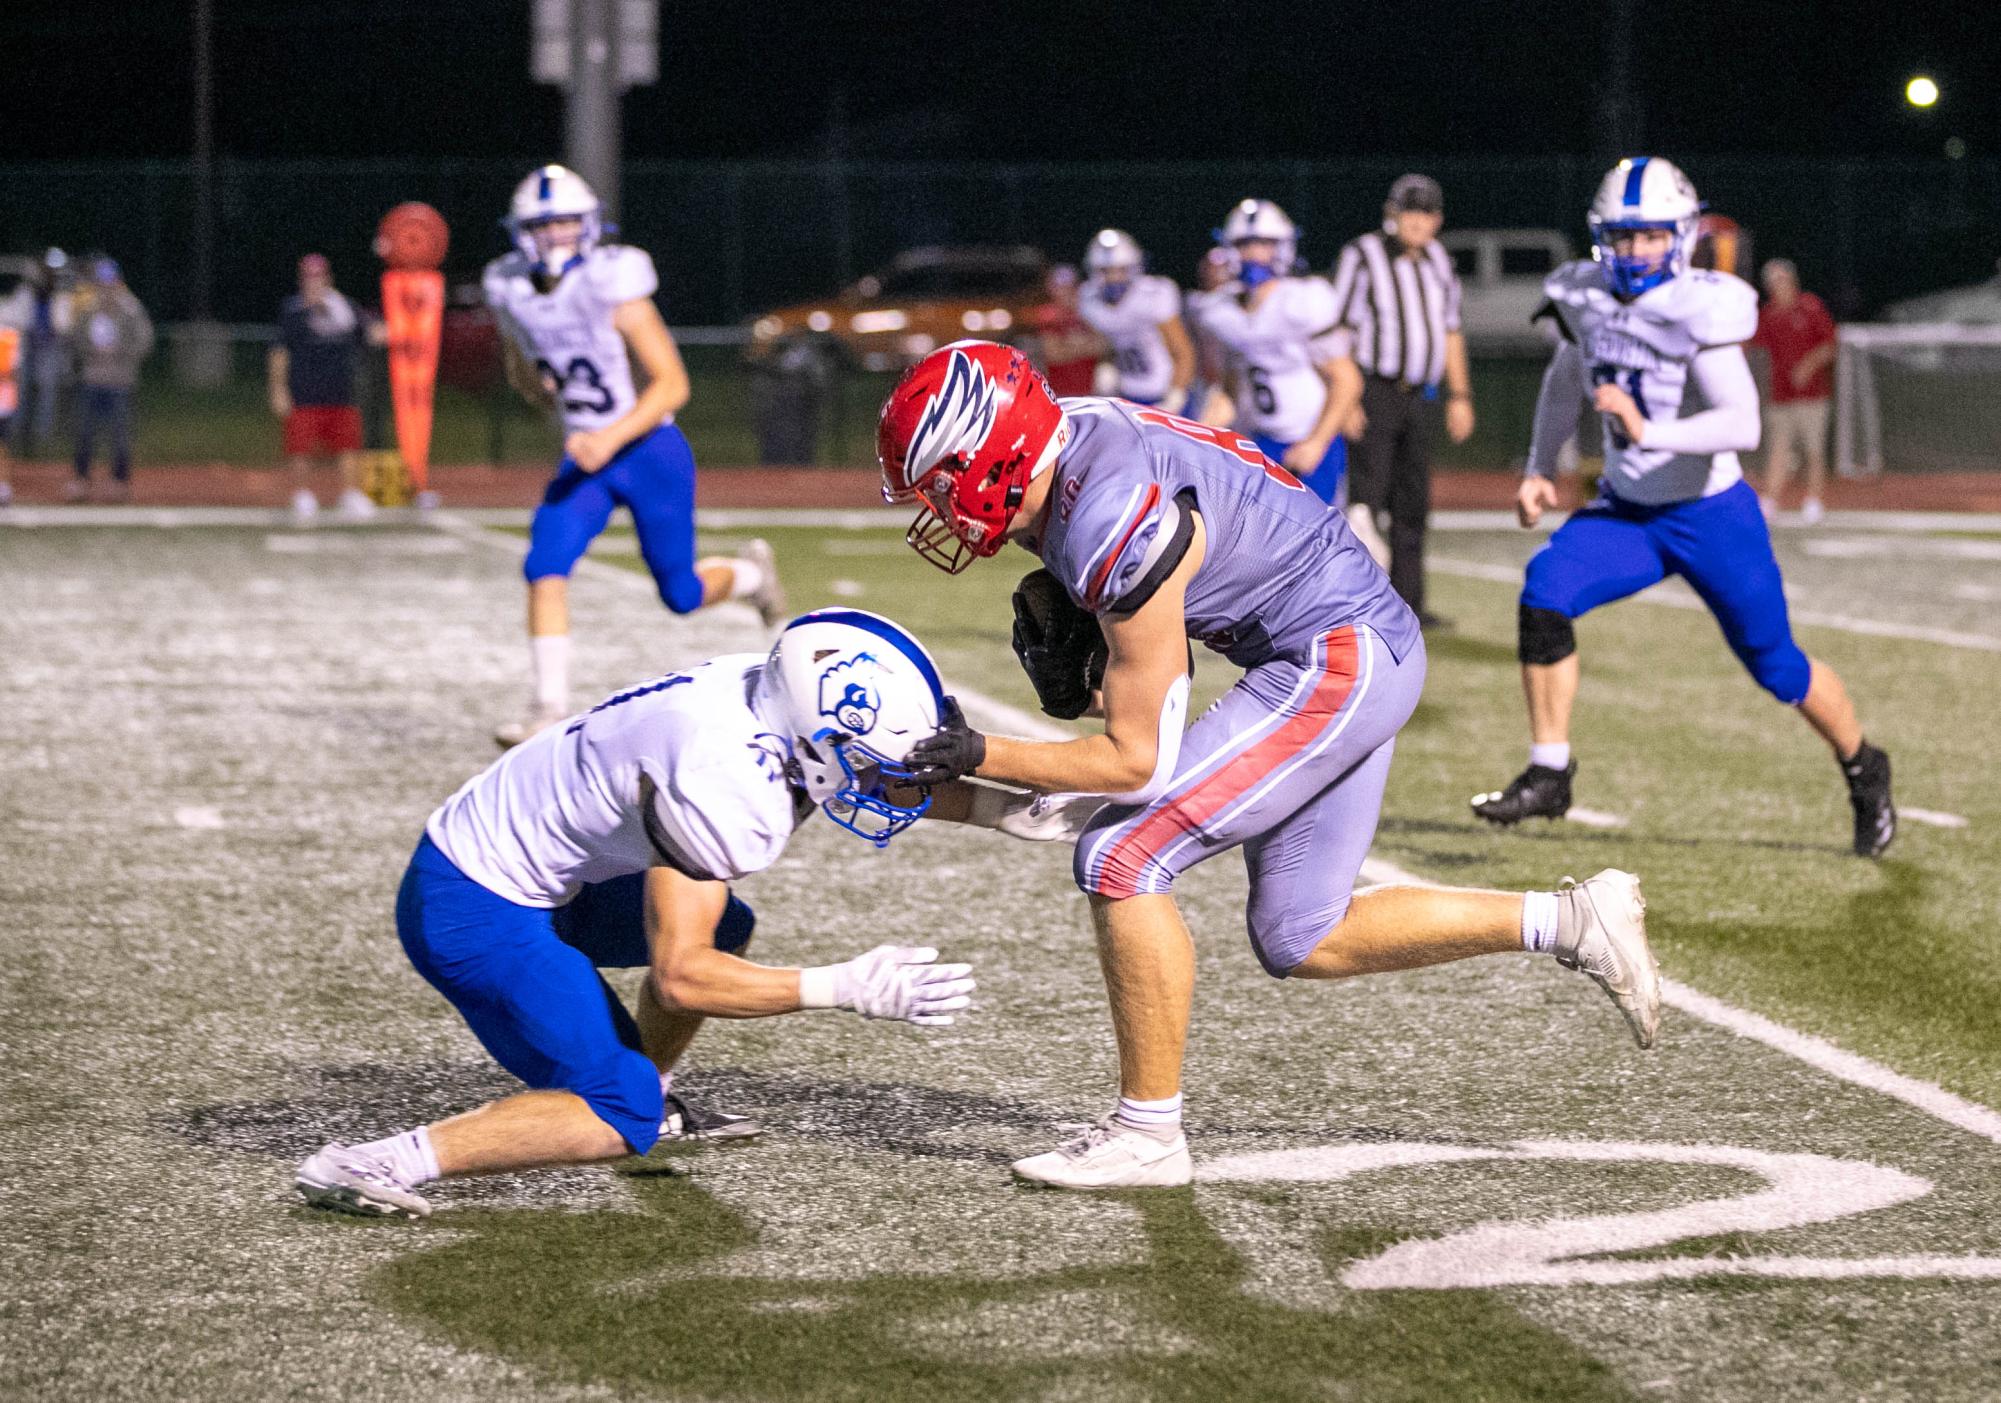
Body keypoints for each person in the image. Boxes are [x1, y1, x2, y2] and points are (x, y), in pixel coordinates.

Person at [878, 341, 1661, 1190]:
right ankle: (1574, 919)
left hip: (1335, 654)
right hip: (1344, 641)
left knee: (1120, 853)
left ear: (993, 457)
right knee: (1300, 932)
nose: (938, 508)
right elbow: (1097, 761)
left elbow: (1134, 761)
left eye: (941, 483)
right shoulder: (1073, 445)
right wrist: (960, 784)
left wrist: (974, 753)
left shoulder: (1107, 516)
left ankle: (1147, 1135)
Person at [296, 609, 1082, 1219]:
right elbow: (682, 975)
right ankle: (377, 1160)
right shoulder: (724, 786)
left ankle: (655, 1084)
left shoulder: (765, 690)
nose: (885, 775)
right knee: (620, 1108)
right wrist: (846, 986)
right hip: (472, 905)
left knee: (725, 927)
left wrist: (1009, 811)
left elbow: (850, 765)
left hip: (525, 863)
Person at [1469, 158, 1894, 859]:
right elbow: (1565, 377)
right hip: (1629, 513)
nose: (1636, 252)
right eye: (1623, 236)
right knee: (1544, 595)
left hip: (1708, 514)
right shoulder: (1586, 298)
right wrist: (1540, 466)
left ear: (1680, 236)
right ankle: (1549, 770)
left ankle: (1862, 764)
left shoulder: (1699, 307)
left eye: (1650, 237)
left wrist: (1647, 430)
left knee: (1777, 668)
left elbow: (1741, 423)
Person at [484, 164, 786, 747]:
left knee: (680, 595)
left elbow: (673, 384)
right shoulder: (511, 290)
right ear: (523, 232)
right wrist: (537, 389)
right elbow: (524, 365)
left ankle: (750, 575)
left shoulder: (612, 283)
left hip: (649, 450)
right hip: (590, 458)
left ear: (590, 225)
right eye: (544, 225)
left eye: (568, 222)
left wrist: (606, 438)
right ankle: (547, 708)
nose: (557, 236)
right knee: (543, 565)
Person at [1329, 174, 1477, 623]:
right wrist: (1347, 397)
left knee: (1413, 502)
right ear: (1393, 214)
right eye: (1409, 211)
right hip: (1374, 389)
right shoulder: (1362, 255)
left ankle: (1409, 605)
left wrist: (1461, 394)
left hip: (1420, 396)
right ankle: (1355, 604)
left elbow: (1451, 330)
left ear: (1438, 220)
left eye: (1426, 212)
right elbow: (1339, 331)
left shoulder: (1438, 260)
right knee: (1366, 501)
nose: (1417, 221)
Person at [1189, 199, 1362, 509]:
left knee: (1320, 543)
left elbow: (1346, 379)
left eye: (1265, 245)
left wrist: (1317, 443)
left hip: (1308, 437)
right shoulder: (1221, 310)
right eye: (1245, 245)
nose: (1254, 254)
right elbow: (1232, 385)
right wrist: (1204, 429)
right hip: (1261, 440)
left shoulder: (1302, 300)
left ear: (1283, 247)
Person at [271, 253, 379, 522]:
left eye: (318, 277)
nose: (314, 282)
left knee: (349, 446)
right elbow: (279, 352)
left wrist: (408, 324)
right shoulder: (293, 310)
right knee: (300, 449)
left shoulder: (345, 307)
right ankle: (302, 495)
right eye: (309, 277)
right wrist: (278, 388)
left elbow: (371, 335)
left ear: (328, 279)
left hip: (341, 390)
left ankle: (350, 495)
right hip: (304, 390)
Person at [1751, 258, 1837, 525]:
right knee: (1778, 449)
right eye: (1773, 282)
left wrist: (1808, 366)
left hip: (1812, 396)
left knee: (1813, 450)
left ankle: (1813, 500)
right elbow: (1756, 349)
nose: (1779, 286)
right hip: (1780, 396)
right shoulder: (1768, 314)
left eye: (1782, 280)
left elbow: (1830, 344)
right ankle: (1771, 499)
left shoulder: (1810, 307)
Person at [1077, 230, 1194, 412]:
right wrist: (1106, 367)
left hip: (1163, 392)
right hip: (1126, 397)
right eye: (1106, 271)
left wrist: (1176, 395)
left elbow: (1183, 352)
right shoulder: (1089, 299)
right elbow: (1105, 347)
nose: (1114, 277)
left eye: (1121, 269)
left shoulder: (1154, 295)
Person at [67, 258, 153, 504]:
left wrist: (121, 353)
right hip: (92, 378)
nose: (106, 287)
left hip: (120, 381)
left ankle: (120, 482)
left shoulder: (131, 308)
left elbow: (144, 340)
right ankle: (81, 480)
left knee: (120, 435)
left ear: (118, 282)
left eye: (109, 282)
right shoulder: (88, 309)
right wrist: (91, 353)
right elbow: (77, 339)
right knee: (84, 433)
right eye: (101, 282)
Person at [4, 249, 74, 458]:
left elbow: (63, 323)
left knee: (47, 390)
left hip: (50, 345)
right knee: (20, 390)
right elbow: (17, 316)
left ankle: (43, 434)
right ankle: (16, 431)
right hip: (27, 344)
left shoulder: (61, 293)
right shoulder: (27, 290)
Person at [1028, 263, 1104, 398]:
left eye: (1069, 288)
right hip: (1060, 394)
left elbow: (1104, 346)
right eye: (1060, 288)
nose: (1065, 293)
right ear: (1051, 289)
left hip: (1089, 391)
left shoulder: (1088, 312)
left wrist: (1069, 345)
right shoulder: (1048, 315)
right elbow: (1054, 355)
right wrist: (1084, 345)